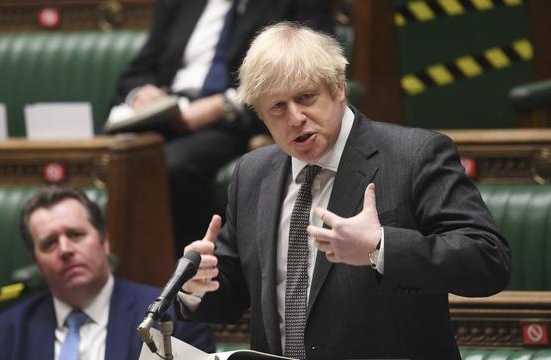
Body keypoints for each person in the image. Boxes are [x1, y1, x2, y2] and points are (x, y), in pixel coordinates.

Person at [177, 22, 512, 360]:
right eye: (277, 107)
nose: (295, 118)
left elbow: (488, 260)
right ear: (261, 116)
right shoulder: (252, 173)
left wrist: (381, 247)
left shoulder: (414, 155)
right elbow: (233, 297)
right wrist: (197, 284)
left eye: (306, 97)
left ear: (339, 88)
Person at [109, 0, 334, 257]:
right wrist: (140, 94)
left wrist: (224, 104)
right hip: (165, 114)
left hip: (233, 121)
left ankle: (188, 271)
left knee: (172, 165)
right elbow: (136, 72)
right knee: (117, 154)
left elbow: (312, 67)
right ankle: (130, 277)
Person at [0, 186, 215, 359]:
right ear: (36, 261)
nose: (65, 250)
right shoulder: (5, 335)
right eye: (49, 243)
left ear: (105, 242)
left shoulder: (170, 319)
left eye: (75, 235)